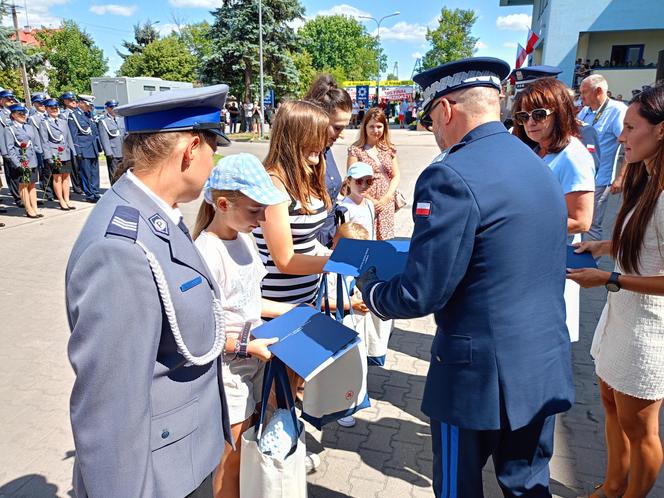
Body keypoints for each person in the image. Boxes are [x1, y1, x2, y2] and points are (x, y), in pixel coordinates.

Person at [356, 57, 574, 497]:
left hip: (475, 378)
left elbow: (423, 292)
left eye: (431, 115)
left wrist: (373, 291)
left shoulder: (448, 174)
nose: (433, 128)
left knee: (458, 489)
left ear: (448, 110)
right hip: (541, 364)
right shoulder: (537, 163)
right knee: (528, 485)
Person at [65, 84, 233, 498]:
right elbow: (110, 412)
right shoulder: (119, 249)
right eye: (214, 150)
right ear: (192, 148)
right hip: (160, 479)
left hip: (186, 456)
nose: (214, 163)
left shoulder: (157, 213)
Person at [567, 85, 664, 498]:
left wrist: (610, 278)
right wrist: (604, 247)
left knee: (641, 426)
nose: (621, 138)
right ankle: (612, 486)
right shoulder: (647, 180)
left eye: (629, 127)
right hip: (621, 316)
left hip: (649, 328)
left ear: (660, 131)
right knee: (609, 403)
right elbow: (644, 243)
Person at [192, 154, 295, 498]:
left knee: (250, 442)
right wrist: (247, 347)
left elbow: (248, 301)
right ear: (223, 204)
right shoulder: (206, 253)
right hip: (228, 370)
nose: (264, 218)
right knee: (231, 456)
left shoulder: (245, 238)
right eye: (255, 210)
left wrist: (289, 310)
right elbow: (200, 331)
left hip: (254, 358)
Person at [512, 78, 596, 344]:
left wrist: (520, 226)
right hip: (530, 257)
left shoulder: (573, 155)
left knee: (542, 338)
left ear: (559, 112)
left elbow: (581, 221)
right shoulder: (538, 149)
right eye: (524, 116)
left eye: (539, 114)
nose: (530, 122)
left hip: (551, 263)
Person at [304, 74, 353, 247]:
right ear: (318, 118)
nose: (342, 135)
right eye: (337, 128)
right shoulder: (302, 158)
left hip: (328, 242)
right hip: (310, 252)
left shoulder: (325, 150)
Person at [579, 74, 628, 240]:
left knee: (591, 225)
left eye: (584, 92)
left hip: (600, 181)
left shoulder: (617, 111)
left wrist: (621, 177)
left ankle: (592, 265)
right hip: (580, 177)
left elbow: (628, 144)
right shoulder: (585, 111)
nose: (581, 96)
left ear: (598, 91)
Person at [348, 107, 400, 240]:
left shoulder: (389, 149)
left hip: (386, 203)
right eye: (371, 126)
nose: (375, 131)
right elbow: (353, 179)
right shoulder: (356, 150)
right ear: (364, 127)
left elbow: (395, 176)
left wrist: (386, 198)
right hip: (365, 203)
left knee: (386, 240)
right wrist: (372, 201)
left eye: (379, 126)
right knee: (366, 238)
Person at [4, 103, 42, 218]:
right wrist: (17, 164)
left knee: (32, 185)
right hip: (21, 161)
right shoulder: (9, 129)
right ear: (14, 115)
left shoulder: (29, 127)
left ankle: (35, 208)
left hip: (32, 160)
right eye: (20, 114)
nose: (23, 115)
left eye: (24, 113)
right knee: (23, 185)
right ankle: (28, 209)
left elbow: (35, 144)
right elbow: (10, 149)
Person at [39, 98, 77, 210]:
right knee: (57, 178)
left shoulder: (63, 121)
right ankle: (61, 200)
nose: (55, 110)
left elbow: (68, 138)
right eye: (52, 108)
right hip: (55, 153)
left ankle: (67, 199)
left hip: (65, 152)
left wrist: (73, 152)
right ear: (46, 109)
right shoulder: (44, 123)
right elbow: (44, 141)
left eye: (56, 107)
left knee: (66, 177)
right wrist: (48, 156)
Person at [69, 94, 102, 202]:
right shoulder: (74, 116)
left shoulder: (89, 115)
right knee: (86, 173)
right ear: (81, 103)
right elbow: (74, 136)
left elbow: (95, 132)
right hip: (83, 148)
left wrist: (98, 146)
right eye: (88, 105)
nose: (90, 107)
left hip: (93, 147)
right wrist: (77, 151)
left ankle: (96, 192)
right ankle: (90, 194)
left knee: (95, 172)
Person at [28, 92, 52, 201]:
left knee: (53, 171)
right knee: (45, 172)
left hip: (52, 148)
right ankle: (48, 193)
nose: (42, 105)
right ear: (35, 105)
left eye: (44, 103)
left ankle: (54, 191)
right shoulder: (33, 118)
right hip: (41, 148)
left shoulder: (49, 115)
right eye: (40, 103)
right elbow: (34, 136)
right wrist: (39, 150)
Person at [60, 91, 84, 195]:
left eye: (74, 100)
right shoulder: (63, 115)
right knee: (75, 166)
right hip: (71, 142)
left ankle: (83, 184)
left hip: (81, 142)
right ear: (65, 101)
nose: (73, 102)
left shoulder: (79, 112)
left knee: (82, 165)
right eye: (70, 100)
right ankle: (77, 186)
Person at [0, 89, 21, 206]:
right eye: (8, 99)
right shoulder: (1, 115)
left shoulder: (18, 112)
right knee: (12, 174)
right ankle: (18, 197)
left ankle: (23, 195)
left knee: (20, 173)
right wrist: (5, 152)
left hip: (19, 148)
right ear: (1, 101)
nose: (11, 100)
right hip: (8, 149)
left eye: (12, 98)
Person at [97, 99, 125, 185]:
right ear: (108, 109)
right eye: (112, 107)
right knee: (114, 173)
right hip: (113, 152)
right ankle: (114, 190)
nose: (114, 109)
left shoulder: (121, 119)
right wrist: (108, 152)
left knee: (123, 173)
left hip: (123, 151)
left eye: (116, 107)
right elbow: (104, 138)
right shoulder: (104, 122)